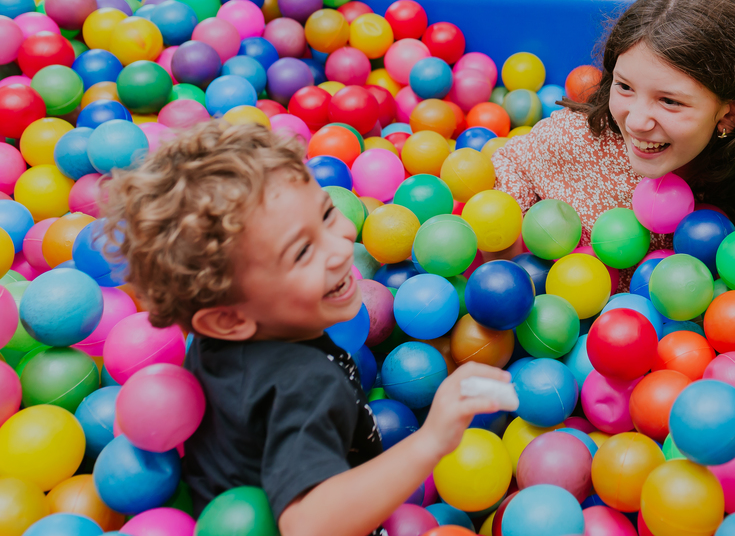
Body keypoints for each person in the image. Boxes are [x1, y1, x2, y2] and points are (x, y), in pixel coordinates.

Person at [103, 122, 509, 536]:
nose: (340, 246)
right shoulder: (306, 383)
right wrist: (433, 439)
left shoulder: (218, 336)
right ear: (230, 319)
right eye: (301, 252)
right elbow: (308, 523)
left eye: (327, 213)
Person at [490, 0, 735, 287]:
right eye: (624, 87)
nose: (636, 121)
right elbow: (505, 173)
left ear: (729, 114)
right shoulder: (573, 143)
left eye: (669, 101)